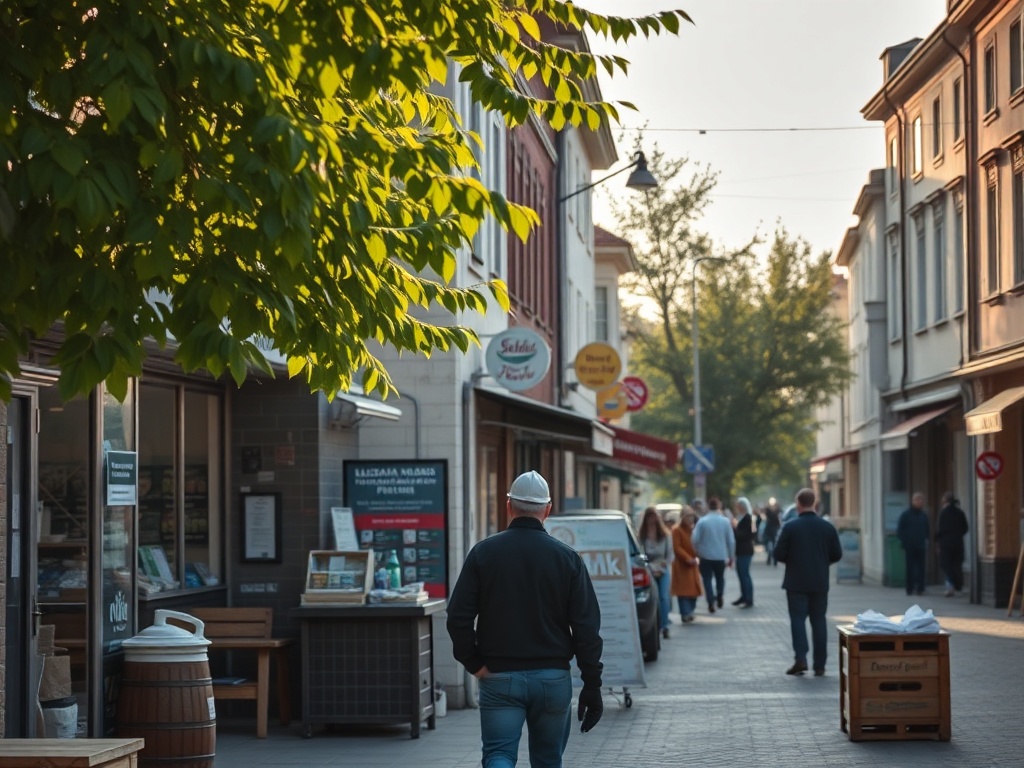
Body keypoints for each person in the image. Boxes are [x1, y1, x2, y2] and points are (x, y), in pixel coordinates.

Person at [447, 471, 604, 767]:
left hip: (498, 675)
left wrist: (474, 663)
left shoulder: (483, 553)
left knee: (498, 755)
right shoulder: (567, 558)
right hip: (552, 678)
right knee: (547, 759)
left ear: (509, 506)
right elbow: (586, 628)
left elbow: (457, 617)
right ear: (548, 509)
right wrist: (592, 685)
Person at [774, 488, 842, 676]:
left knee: (797, 620)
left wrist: (793, 560)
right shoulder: (827, 527)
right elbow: (837, 554)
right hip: (819, 581)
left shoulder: (790, 527)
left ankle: (801, 659)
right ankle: (820, 664)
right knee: (819, 620)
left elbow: (778, 553)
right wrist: (822, 562)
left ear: (798, 504)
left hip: (796, 582)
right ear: (814, 503)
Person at [690, 496, 735, 613]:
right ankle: (719, 594)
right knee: (720, 578)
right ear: (719, 506)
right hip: (720, 556)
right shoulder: (725, 521)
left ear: (708, 507)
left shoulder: (702, 521)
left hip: (705, 556)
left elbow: (694, 539)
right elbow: (731, 541)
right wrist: (731, 557)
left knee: (707, 579)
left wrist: (696, 551)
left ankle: (710, 601)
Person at [639, 506, 673, 639]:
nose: (652, 520)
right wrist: (651, 568)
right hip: (649, 569)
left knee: (664, 597)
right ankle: (656, 626)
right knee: (655, 598)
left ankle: (665, 626)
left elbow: (670, 555)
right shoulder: (641, 536)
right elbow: (641, 555)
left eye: (654, 517)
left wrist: (663, 566)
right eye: (649, 517)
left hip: (663, 568)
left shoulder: (665, 535)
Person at [670, 508, 703, 623]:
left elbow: (697, 543)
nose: (690, 519)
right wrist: (688, 559)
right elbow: (677, 547)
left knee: (693, 591)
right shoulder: (676, 530)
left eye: (692, 516)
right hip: (682, 564)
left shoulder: (694, 530)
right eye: (688, 516)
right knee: (683, 591)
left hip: (693, 563)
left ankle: (690, 611)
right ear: (682, 518)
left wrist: (698, 554)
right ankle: (685, 613)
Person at [936, 491, 969, 597]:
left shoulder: (943, 513)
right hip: (958, 542)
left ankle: (950, 586)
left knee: (946, 565)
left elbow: (939, 529)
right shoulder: (960, 512)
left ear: (945, 500)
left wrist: (938, 543)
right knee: (957, 564)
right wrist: (958, 535)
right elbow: (965, 527)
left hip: (945, 543)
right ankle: (958, 585)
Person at [897, 492, 930, 597]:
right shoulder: (906, 515)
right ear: (913, 501)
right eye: (917, 500)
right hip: (910, 546)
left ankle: (921, 588)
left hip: (920, 545)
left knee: (921, 568)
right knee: (910, 568)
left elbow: (927, 530)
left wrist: (926, 539)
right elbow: (900, 530)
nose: (920, 502)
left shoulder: (923, 516)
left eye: (921, 500)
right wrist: (905, 541)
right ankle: (909, 588)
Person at [731, 497, 756, 608]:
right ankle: (744, 595)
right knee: (741, 574)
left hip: (745, 549)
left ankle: (748, 598)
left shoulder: (749, 519)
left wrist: (735, 529)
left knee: (744, 574)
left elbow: (750, 534)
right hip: (741, 549)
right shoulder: (742, 518)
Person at [762, 499, 782, 566]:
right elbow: (766, 511)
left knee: (773, 546)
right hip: (770, 531)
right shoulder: (769, 512)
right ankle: (770, 559)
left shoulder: (777, 512)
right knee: (770, 546)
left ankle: (774, 560)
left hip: (774, 530)